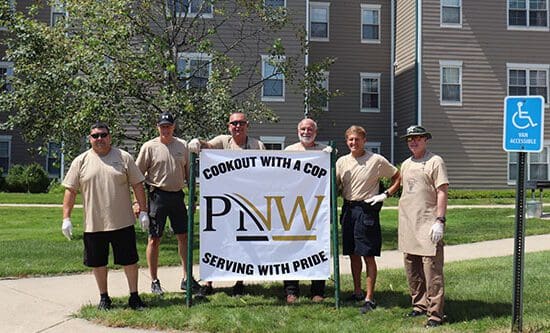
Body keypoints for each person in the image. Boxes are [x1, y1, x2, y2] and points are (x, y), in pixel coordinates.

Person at [61, 122, 148, 310]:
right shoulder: (81, 161)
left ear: (109, 137)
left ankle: (134, 297)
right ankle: (104, 298)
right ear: (89, 139)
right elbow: (70, 191)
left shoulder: (124, 158)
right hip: (94, 224)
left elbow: (138, 185)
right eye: (95, 136)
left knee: (130, 261)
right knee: (98, 263)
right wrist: (66, 218)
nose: (99, 139)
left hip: (122, 221)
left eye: (103, 135)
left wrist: (143, 211)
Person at [189, 112, 265, 296]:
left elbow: (266, 170)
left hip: (247, 203)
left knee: (244, 242)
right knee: (217, 240)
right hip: (222, 203)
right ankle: (209, 281)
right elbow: (206, 146)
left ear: (247, 125)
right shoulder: (223, 141)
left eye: (241, 123)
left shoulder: (257, 145)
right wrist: (196, 142)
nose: (237, 126)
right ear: (228, 126)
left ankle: (240, 280)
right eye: (234, 123)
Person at [335, 125, 401, 314]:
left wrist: (385, 194)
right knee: (353, 253)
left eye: (357, 139)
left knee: (367, 254)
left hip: (367, 209)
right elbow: (336, 184)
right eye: (350, 140)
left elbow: (397, 176)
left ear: (364, 140)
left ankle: (369, 298)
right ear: (346, 141)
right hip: (348, 209)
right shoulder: (342, 162)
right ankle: (357, 291)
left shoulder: (376, 160)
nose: (353, 143)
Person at [135, 112, 199, 296]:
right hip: (157, 196)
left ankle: (187, 278)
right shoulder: (149, 147)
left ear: (173, 127)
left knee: (183, 237)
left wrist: (192, 197)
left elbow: (189, 174)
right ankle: (154, 281)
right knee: (154, 238)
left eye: (168, 126)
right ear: (158, 127)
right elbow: (137, 176)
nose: (165, 129)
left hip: (177, 196)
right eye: (162, 126)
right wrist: (138, 204)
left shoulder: (183, 146)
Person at [398, 125, 449, 328]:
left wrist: (440, 220)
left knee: (432, 270)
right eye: (410, 139)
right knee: (412, 267)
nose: (413, 141)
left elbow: (442, 191)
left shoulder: (435, 161)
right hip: (408, 223)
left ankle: (435, 313)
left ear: (425, 140)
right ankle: (419, 304)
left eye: (417, 138)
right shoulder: (406, 164)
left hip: (428, 224)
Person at [283, 118, 331, 304]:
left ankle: (317, 290)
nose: (306, 131)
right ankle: (291, 290)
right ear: (298, 131)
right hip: (291, 209)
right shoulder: (289, 151)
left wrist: (330, 158)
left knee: (317, 248)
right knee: (291, 248)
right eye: (303, 129)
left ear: (315, 132)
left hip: (317, 209)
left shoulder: (323, 152)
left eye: (310, 129)